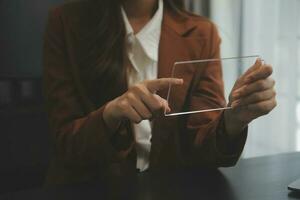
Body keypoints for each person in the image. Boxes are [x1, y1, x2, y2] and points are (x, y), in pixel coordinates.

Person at [43, 0, 276, 185]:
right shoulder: (65, 23)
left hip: (171, 189)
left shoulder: (202, 33)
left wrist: (232, 121)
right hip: (87, 189)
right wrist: (110, 115)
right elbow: (65, 143)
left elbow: (202, 147)